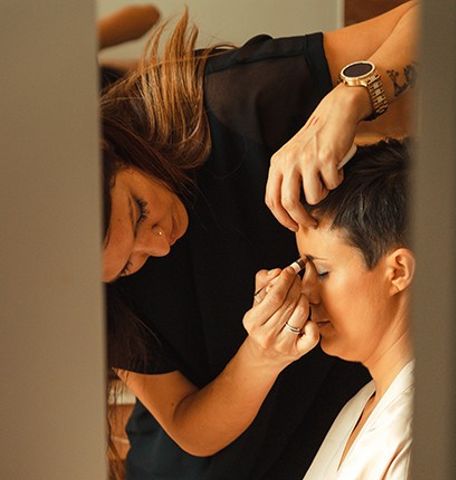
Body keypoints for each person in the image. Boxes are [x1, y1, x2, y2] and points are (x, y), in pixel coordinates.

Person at [101, 2, 418, 478]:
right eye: (129, 264)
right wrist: (260, 357)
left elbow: (432, 19)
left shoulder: (233, 104)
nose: (162, 244)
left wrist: (350, 98)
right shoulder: (99, 297)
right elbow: (190, 426)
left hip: (343, 416)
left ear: (116, 149)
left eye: (140, 211)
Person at [296, 139, 414, 479]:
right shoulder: (360, 405)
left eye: (322, 272)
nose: (307, 293)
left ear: (398, 272)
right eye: (302, 269)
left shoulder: (421, 428)